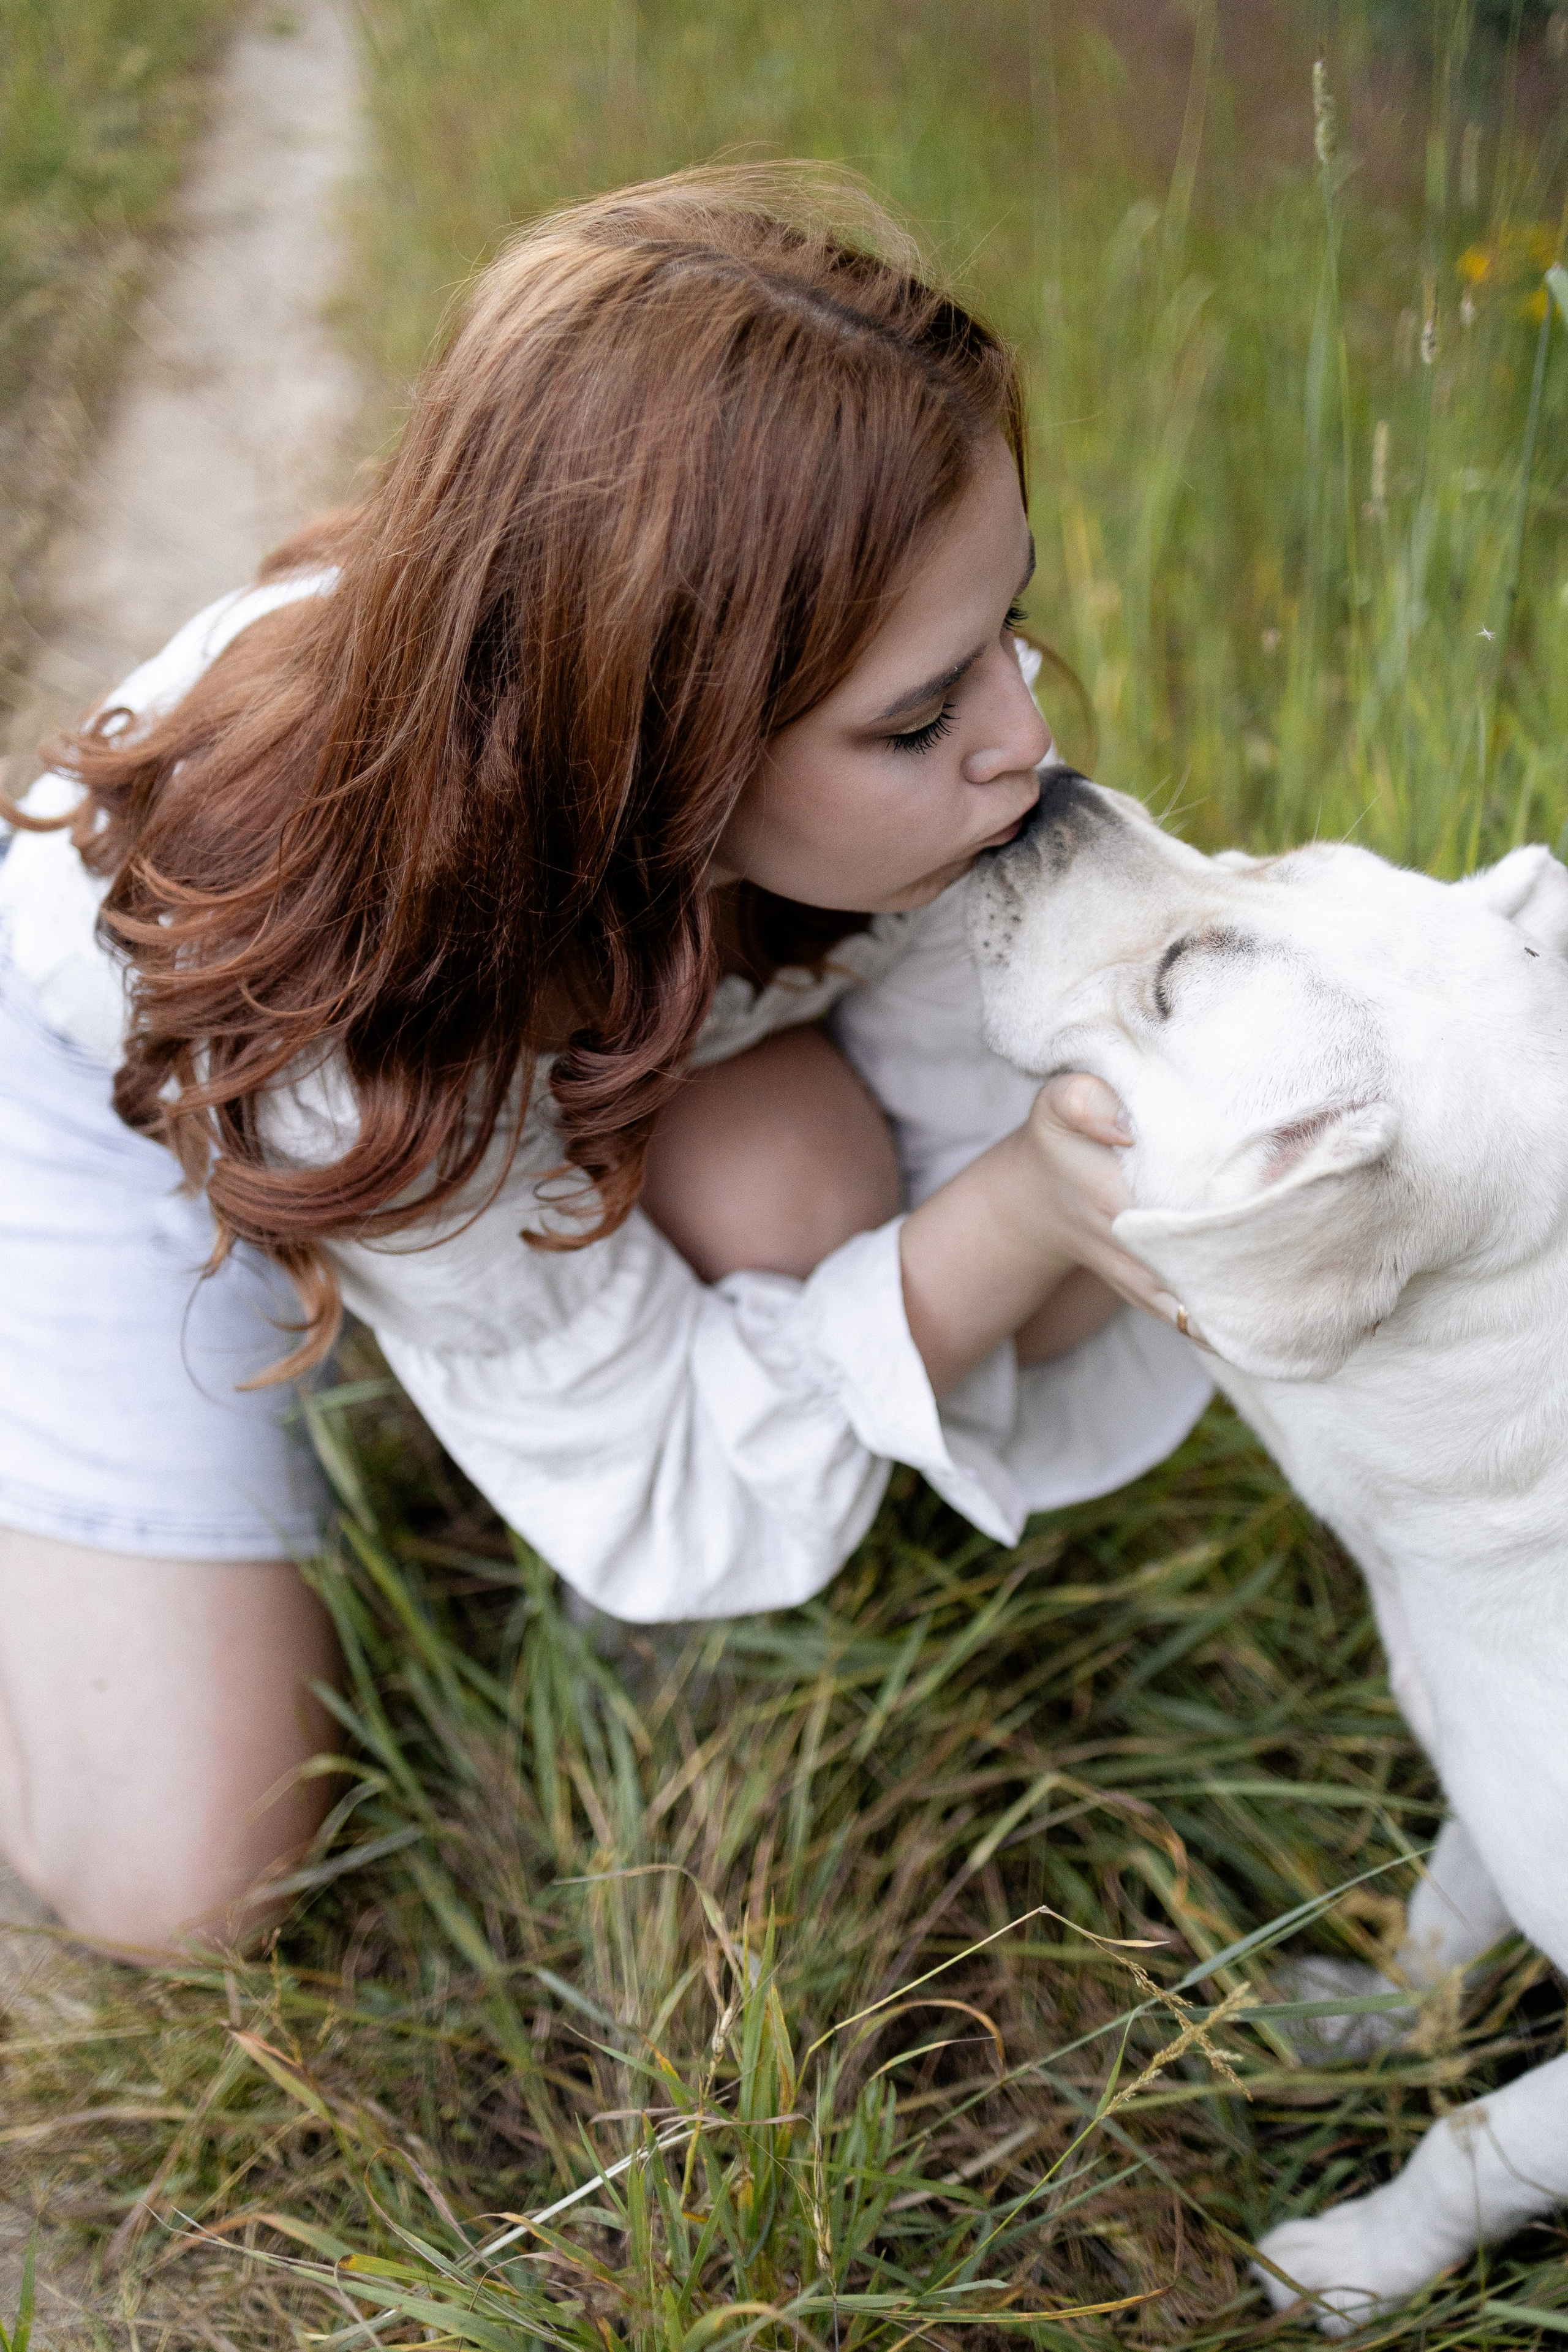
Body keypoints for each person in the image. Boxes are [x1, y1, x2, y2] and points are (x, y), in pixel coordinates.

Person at [0, 168, 1210, 1959]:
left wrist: (1041, 1217)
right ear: (659, 735)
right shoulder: (363, 986)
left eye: (1005, 632)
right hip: (123, 1103)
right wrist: (1026, 1213)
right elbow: (694, 1431)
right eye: (918, 716)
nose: (1025, 739)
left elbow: (1056, 1229)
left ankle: (492, 1381)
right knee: (195, 1884)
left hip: (570, 1037)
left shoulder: (866, 746)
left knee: (812, 1183)